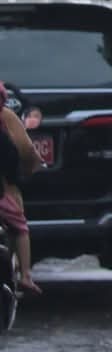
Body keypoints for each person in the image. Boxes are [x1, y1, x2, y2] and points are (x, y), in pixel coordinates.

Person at [0, 82, 43, 295]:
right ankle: (25, 275)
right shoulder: (6, 117)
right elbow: (25, 149)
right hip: (4, 188)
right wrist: (30, 168)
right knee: (20, 226)